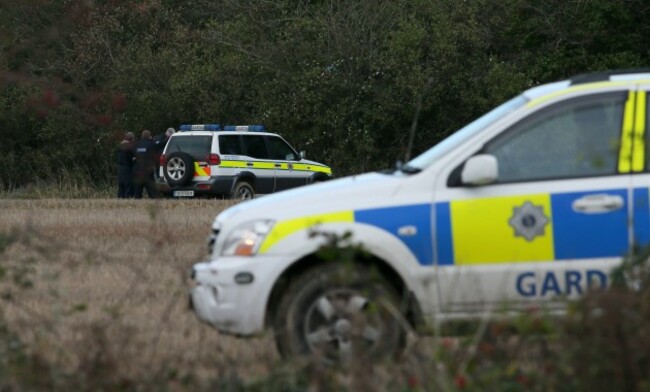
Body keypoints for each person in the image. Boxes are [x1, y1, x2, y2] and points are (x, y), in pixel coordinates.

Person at [133, 129, 159, 199]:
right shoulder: (151, 143)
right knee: (152, 191)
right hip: (148, 170)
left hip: (138, 170)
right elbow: (157, 149)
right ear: (149, 136)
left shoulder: (136, 144)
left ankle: (136, 203)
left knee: (137, 191)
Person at [116, 132, 135, 198]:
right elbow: (133, 158)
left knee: (121, 184)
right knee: (128, 184)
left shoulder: (120, 146)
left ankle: (120, 198)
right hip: (127, 167)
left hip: (119, 167)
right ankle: (127, 198)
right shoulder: (129, 147)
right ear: (132, 139)